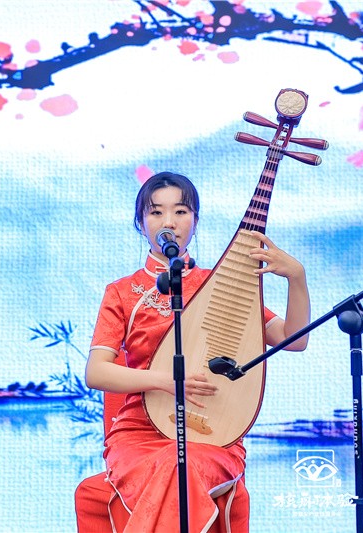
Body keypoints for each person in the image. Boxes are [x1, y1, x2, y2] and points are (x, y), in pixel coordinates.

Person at [84, 171, 311, 532]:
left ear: (195, 220)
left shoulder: (220, 285)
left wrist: (296, 277)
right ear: (140, 222)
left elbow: (292, 339)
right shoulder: (122, 292)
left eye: (180, 211)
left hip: (213, 432)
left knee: (183, 465)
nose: (169, 222)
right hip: (140, 432)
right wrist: (166, 381)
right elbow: (97, 372)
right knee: (174, 465)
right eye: (156, 212)